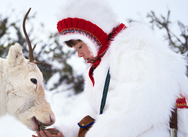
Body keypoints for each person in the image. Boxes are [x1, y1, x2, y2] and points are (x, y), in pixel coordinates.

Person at [32, 0, 188, 136]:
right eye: (76, 50)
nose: (79, 55)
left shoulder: (136, 47)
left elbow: (137, 109)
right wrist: (66, 131)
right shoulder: (101, 63)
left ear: (95, 34)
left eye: (80, 46)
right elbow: (98, 111)